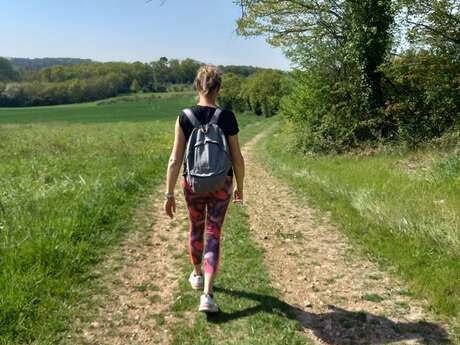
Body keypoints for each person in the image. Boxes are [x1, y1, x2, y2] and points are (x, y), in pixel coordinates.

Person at [163, 65, 245, 313]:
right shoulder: (227, 117)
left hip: (193, 183)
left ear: (197, 87)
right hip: (222, 183)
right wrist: (240, 187)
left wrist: (169, 193)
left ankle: (197, 275)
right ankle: (208, 295)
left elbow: (175, 159)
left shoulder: (185, 117)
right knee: (214, 232)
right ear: (218, 88)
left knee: (196, 227)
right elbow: (237, 158)